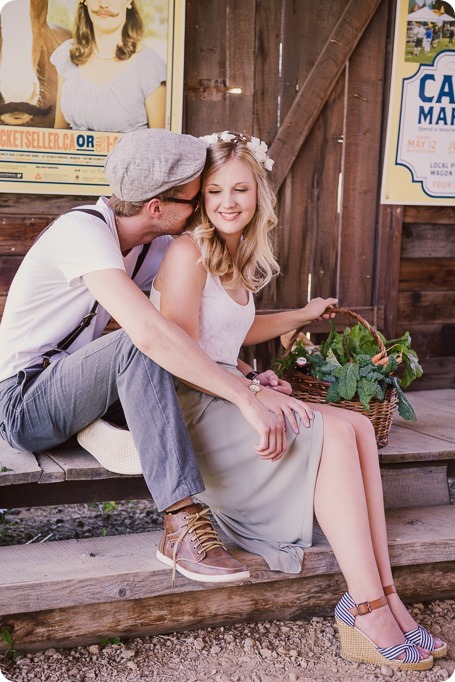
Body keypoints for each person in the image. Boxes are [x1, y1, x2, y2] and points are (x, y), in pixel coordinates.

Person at [146, 131, 445, 671]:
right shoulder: (188, 251)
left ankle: (383, 592)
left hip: (227, 394)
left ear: (257, 193)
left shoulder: (233, 252)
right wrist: (253, 389)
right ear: (200, 196)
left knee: (354, 425)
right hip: (193, 414)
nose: (228, 203)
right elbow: (181, 353)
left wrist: (302, 318)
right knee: (329, 432)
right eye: (214, 192)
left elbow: (233, 332)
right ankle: (369, 606)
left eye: (239, 189)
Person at [0, 128, 299, 586]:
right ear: (158, 208)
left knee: (160, 340)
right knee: (143, 340)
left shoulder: (153, 246)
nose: (203, 207)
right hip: (23, 401)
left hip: (76, 385)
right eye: (195, 199)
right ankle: (179, 523)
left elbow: (196, 326)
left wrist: (251, 377)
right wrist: (245, 399)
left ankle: (112, 428)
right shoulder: (82, 232)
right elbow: (149, 335)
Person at [50, 0, 166, 132]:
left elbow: (159, 145)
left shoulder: (149, 65)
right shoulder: (67, 56)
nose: (103, 4)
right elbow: (59, 136)